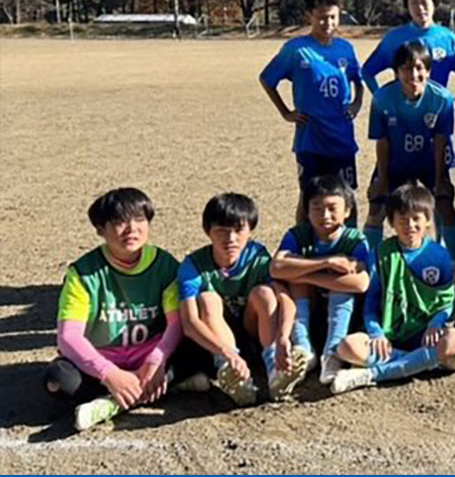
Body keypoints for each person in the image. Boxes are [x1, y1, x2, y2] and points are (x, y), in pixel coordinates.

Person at [44, 188, 198, 431]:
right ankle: (164, 385)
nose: (132, 229)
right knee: (59, 380)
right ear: (100, 229)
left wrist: (156, 359)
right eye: (119, 223)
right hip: (103, 358)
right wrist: (110, 374)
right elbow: (68, 337)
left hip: (151, 356)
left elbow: (175, 324)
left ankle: (113, 403)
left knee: (198, 346)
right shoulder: (83, 273)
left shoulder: (165, 265)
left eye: (139, 220)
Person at [328, 184, 455, 394]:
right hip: (389, 337)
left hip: (424, 334)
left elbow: (447, 302)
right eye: (402, 219)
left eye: (416, 219)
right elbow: (371, 304)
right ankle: (428, 362)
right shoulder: (381, 253)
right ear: (391, 222)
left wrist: (436, 322)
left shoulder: (440, 256)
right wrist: (376, 332)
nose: (409, 225)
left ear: (428, 220)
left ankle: (368, 375)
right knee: (347, 347)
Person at [178, 193, 307, 405]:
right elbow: (189, 323)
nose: (230, 239)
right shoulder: (193, 266)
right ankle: (231, 372)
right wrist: (227, 353)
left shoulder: (258, 257)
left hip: (253, 331)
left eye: (239, 230)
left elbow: (284, 297)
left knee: (265, 294)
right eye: (221, 231)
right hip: (218, 341)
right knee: (208, 299)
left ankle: (275, 368)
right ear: (207, 231)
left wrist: (284, 336)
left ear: (251, 231)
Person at [260, 0, 364, 224]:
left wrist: (357, 102)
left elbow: (359, 80)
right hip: (311, 138)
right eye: (321, 17)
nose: (327, 23)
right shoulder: (296, 49)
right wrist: (286, 112)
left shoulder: (345, 48)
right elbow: (267, 79)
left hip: (342, 137)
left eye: (332, 17)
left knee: (347, 196)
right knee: (309, 197)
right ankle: (301, 246)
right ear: (309, 16)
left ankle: (352, 246)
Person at [269, 175, 371, 387]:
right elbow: (276, 267)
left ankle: (332, 353)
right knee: (295, 279)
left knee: (338, 284)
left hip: (348, 316)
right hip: (312, 309)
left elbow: (361, 283)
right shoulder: (299, 235)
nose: (325, 215)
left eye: (332, 208)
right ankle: (304, 348)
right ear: (306, 211)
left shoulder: (355, 239)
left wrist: (306, 273)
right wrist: (328, 262)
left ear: (347, 211)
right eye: (316, 208)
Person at [364, 41, 455, 262]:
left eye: (420, 68)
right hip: (396, 161)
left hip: (429, 162)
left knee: (444, 203)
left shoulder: (442, 99)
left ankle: (452, 264)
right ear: (397, 72)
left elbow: (440, 142)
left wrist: (440, 178)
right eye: (407, 68)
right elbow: (383, 142)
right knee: (377, 207)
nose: (414, 74)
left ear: (428, 70)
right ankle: (371, 265)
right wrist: (382, 178)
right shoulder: (382, 99)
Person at [360, 0, 455, 97]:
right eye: (413, 2)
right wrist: (382, 99)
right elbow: (367, 71)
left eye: (424, 1)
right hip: (403, 112)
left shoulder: (447, 38)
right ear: (407, 6)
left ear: (434, 3)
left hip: (437, 112)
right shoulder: (395, 38)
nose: (420, 7)